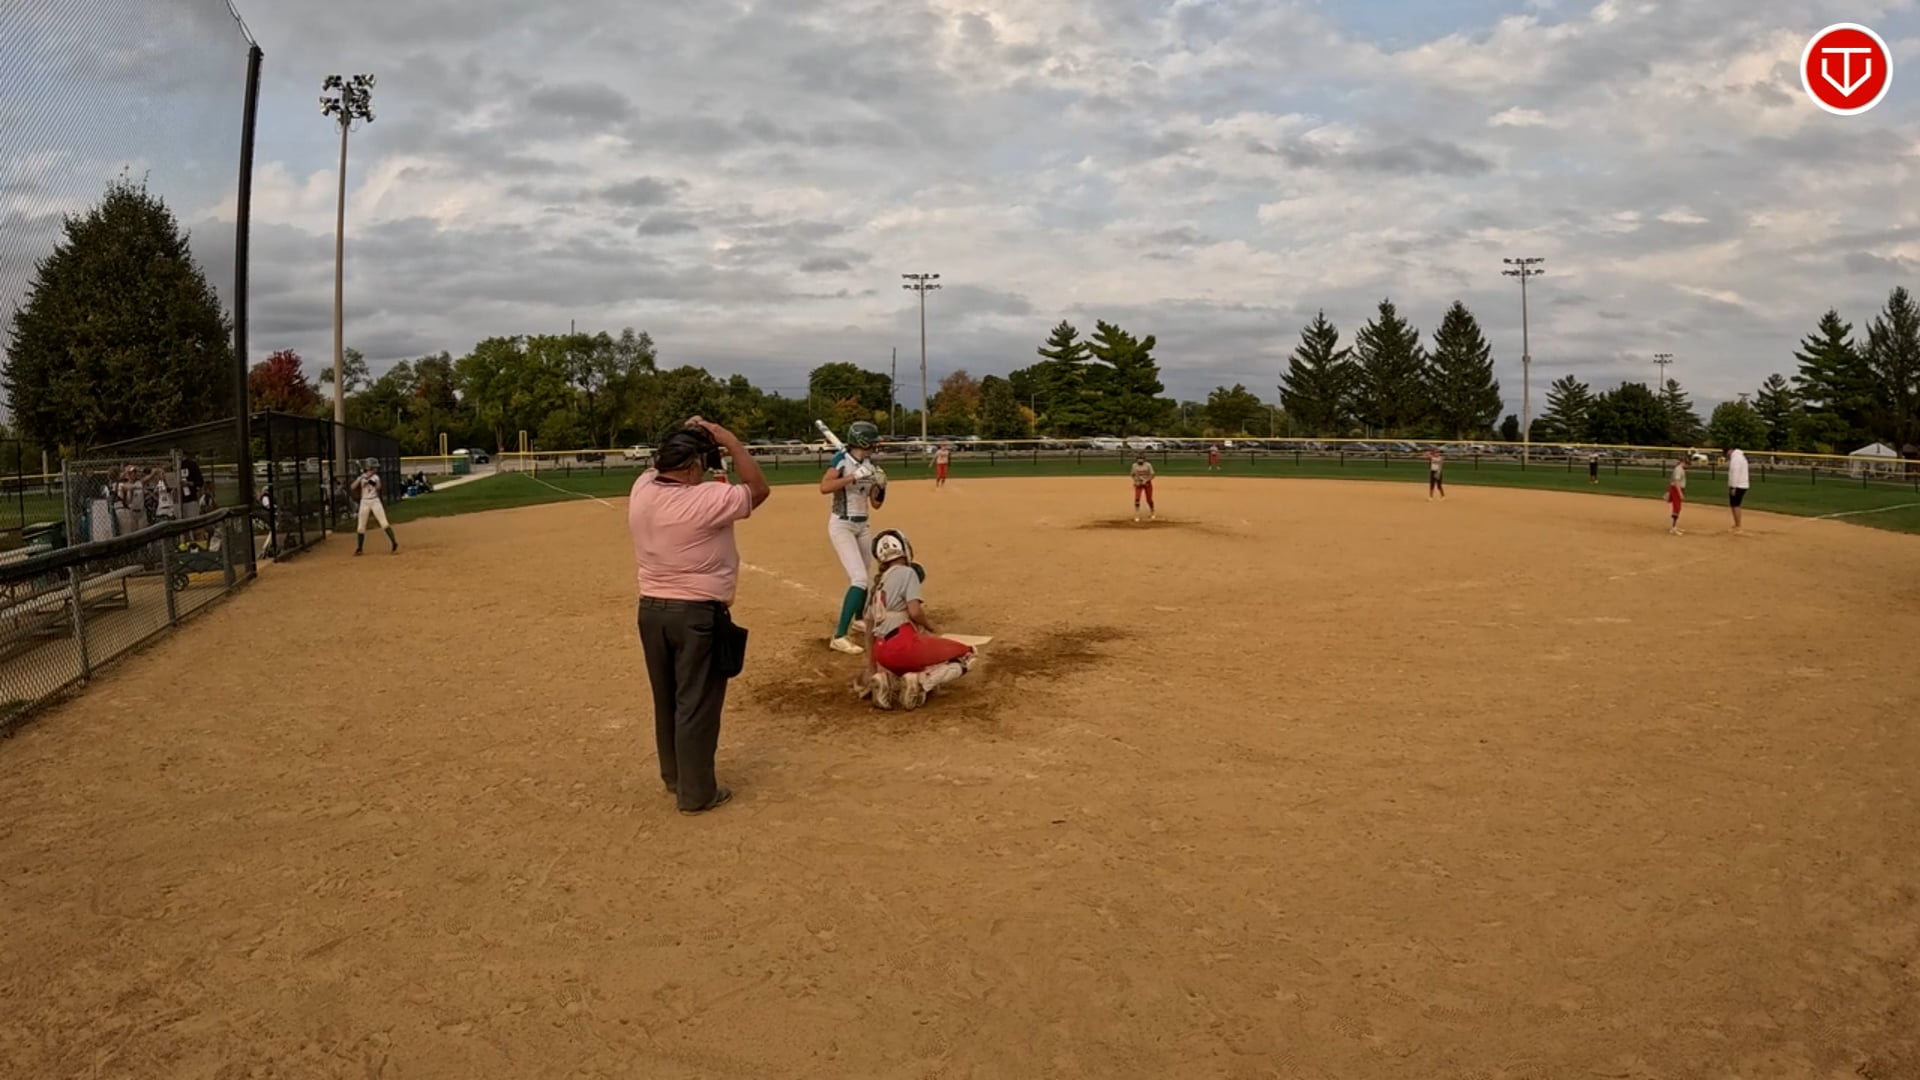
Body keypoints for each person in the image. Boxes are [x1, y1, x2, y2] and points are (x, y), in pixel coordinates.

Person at [628, 418, 770, 814]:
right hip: (695, 614)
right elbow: (758, 489)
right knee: (697, 704)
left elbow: (657, 468)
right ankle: (697, 794)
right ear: (692, 465)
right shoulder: (704, 499)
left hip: (651, 610)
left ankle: (675, 776)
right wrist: (730, 441)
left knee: (667, 699)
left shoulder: (642, 488)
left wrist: (685, 435)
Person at [860, 530, 973, 711]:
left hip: (882, 652)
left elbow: (868, 631)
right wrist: (929, 626)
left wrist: (872, 668)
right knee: (967, 654)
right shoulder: (908, 573)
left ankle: (884, 679)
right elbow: (915, 611)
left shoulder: (878, 584)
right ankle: (921, 683)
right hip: (902, 646)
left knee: (906, 663)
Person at [820, 421, 888, 654]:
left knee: (865, 575)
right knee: (859, 579)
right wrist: (852, 477)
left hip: (863, 524)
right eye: (872, 441)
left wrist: (880, 487)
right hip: (843, 524)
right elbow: (824, 487)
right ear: (862, 441)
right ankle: (839, 636)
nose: (875, 445)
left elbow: (876, 504)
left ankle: (859, 619)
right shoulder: (841, 460)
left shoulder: (869, 464)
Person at [351, 458, 398, 556]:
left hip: (375, 501)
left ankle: (394, 543)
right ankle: (359, 548)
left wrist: (370, 481)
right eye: (374, 467)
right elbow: (352, 487)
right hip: (364, 502)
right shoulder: (362, 477)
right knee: (361, 526)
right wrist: (361, 478)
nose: (376, 469)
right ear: (370, 467)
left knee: (384, 522)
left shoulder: (376, 477)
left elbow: (378, 487)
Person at [1725, 445, 1750, 532]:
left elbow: (1735, 473)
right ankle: (1736, 524)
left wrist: (1733, 487)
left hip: (1739, 485)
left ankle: (1738, 526)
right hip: (1741, 484)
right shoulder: (1740, 457)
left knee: (1735, 505)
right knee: (1734, 504)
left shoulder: (1736, 459)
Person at [1131, 454, 1156, 521]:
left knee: (1149, 499)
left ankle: (1152, 511)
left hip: (1147, 483)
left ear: (1144, 460)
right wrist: (1135, 481)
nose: (1140, 460)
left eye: (1141, 459)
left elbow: (1152, 475)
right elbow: (1133, 475)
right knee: (1137, 498)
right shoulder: (1134, 465)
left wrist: (1146, 480)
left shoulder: (1148, 465)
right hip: (1139, 483)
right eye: (1139, 459)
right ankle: (1137, 514)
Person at [1666, 457, 1687, 535]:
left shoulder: (1680, 469)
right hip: (1676, 489)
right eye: (1687, 463)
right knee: (1677, 507)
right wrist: (1680, 493)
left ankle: (1675, 526)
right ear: (1683, 462)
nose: (1687, 465)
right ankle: (1673, 528)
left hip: (1676, 489)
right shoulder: (1679, 469)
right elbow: (1676, 482)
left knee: (1677, 508)